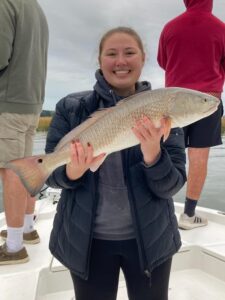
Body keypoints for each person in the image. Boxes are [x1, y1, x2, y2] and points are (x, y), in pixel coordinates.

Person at [45, 26, 186, 300]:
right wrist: (72, 172)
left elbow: (171, 185)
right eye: (111, 53)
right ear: (100, 61)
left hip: (151, 241)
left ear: (143, 58)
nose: (121, 61)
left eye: (129, 52)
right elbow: (51, 173)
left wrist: (153, 155)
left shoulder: (165, 109)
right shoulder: (70, 107)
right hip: (86, 243)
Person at [157, 0, 225, 230]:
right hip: (207, 102)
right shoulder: (220, 28)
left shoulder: (170, 28)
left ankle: (159, 210)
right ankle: (188, 215)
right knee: (199, 157)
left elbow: (163, 62)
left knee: (166, 154)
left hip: (172, 101)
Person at [0, 0, 48, 264]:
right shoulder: (36, 8)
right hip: (32, 102)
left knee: (10, 172)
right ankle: (26, 230)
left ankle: (14, 246)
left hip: (7, 102)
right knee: (24, 168)